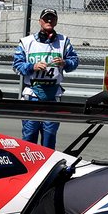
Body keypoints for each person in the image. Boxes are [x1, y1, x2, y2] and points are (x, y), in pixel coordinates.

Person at [12, 8, 79, 149]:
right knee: (29, 137)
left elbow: (75, 62)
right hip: (32, 96)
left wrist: (65, 62)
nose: (49, 20)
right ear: (40, 21)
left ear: (56, 21)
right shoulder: (26, 42)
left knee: (49, 138)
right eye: (46, 18)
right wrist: (32, 66)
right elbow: (16, 65)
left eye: (52, 18)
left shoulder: (64, 41)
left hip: (53, 97)